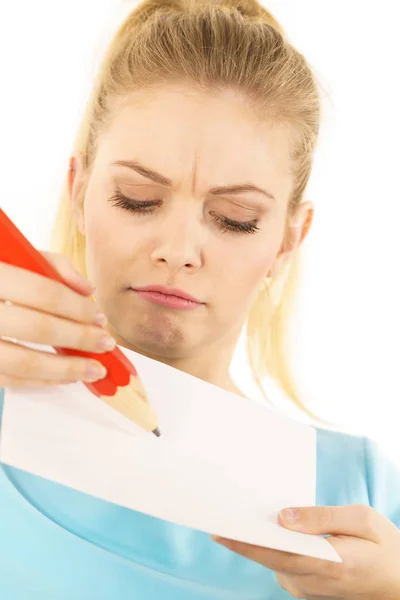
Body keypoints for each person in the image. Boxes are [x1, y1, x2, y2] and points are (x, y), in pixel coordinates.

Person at [0, 0, 399, 598]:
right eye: (137, 198)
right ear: (79, 190)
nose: (178, 249)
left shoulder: (363, 501)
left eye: (235, 218)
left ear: (289, 238)